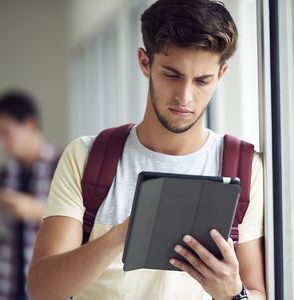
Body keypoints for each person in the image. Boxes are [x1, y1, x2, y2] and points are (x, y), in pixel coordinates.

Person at [28, 0, 266, 299]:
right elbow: (42, 288)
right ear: (145, 63)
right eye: (171, 75)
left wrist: (233, 292)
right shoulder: (87, 157)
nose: (185, 97)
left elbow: (257, 290)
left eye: (202, 80)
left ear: (221, 74)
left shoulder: (244, 166)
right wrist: (125, 234)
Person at [0, 90, 61, 300]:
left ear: (29, 123)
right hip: (6, 290)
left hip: (49, 291)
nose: (0, 143)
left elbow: (85, 227)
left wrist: (33, 210)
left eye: (4, 133)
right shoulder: (3, 175)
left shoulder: (65, 167)